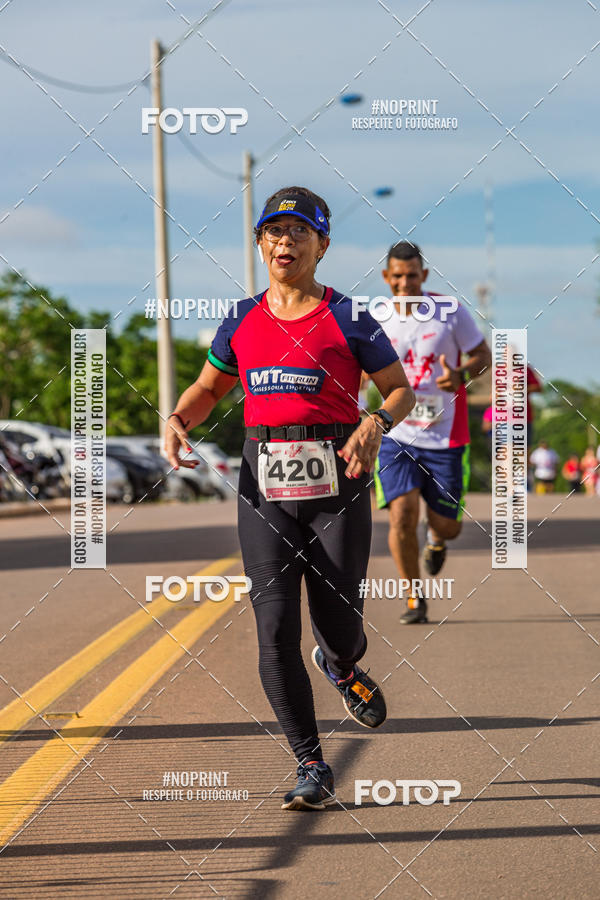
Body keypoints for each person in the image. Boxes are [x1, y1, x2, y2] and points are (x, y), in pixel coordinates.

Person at [164, 186, 415, 811]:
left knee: (340, 627)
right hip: (264, 484)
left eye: (300, 231)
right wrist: (179, 418)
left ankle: (343, 666)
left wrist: (376, 422)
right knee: (274, 628)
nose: (285, 241)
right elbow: (208, 387)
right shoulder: (241, 318)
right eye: (274, 232)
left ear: (321, 245)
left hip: (339, 478)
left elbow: (400, 389)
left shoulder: (350, 316)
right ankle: (310, 762)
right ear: (260, 245)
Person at [368, 241, 492, 624]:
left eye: (412, 276)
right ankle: (413, 597)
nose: (405, 283)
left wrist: (460, 374)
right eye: (397, 276)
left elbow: (483, 357)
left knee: (448, 526)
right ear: (386, 277)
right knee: (402, 515)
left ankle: (436, 540)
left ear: (423, 275)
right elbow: (358, 369)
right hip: (396, 434)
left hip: (445, 438)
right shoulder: (375, 317)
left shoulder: (450, 311)